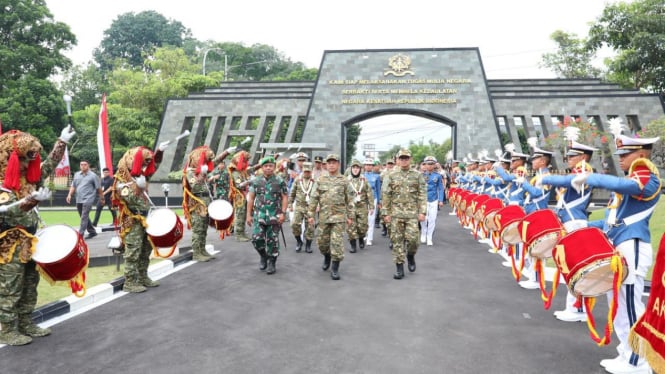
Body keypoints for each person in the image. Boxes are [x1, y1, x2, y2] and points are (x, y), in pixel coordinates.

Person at [571, 133, 660, 374]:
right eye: (619, 154)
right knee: (619, 306)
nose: (621, 158)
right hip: (620, 247)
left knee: (630, 307)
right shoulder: (628, 184)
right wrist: (586, 226)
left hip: (632, 247)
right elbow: (613, 223)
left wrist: (593, 177)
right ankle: (627, 354)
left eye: (626, 154)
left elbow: (628, 186)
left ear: (641, 154)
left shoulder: (647, 179)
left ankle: (638, 362)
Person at [0, 126, 73, 346]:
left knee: (30, 284)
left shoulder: (27, 178)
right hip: (9, 246)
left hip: (29, 244)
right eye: (24, 160)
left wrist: (61, 141)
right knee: (10, 288)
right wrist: (31, 201)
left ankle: (25, 322)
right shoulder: (3, 182)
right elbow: (10, 212)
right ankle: (7, 329)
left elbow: (48, 165)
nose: (27, 165)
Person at [539, 137, 597, 322]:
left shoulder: (584, 171)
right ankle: (574, 306)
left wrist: (545, 178)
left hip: (575, 222)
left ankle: (576, 307)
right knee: (570, 265)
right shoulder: (576, 171)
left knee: (575, 266)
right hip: (569, 222)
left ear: (583, 157)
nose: (568, 159)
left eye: (572, 156)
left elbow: (566, 181)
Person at [112, 142, 170, 293]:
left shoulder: (140, 175)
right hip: (133, 220)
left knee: (146, 249)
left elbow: (153, 166)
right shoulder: (121, 178)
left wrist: (159, 152)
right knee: (133, 251)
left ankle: (143, 276)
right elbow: (128, 198)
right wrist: (139, 187)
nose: (145, 166)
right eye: (142, 161)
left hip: (146, 219)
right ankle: (130, 282)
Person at [182, 146, 235, 262]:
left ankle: (202, 250)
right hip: (197, 205)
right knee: (198, 230)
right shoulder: (190, 172)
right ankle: (197, 252)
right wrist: (202, 175)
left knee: (204, 229)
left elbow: (214, 162)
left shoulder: (200, 170)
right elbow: (195, 187)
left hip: (205, 204)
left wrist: (225, 152)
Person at [381, 148, 427, 280]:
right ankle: (399, 268)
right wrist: (385, 213)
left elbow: (422, 194)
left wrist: (422, 211)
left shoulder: (417, 175)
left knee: (413, 241)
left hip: (412, 214)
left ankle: (411, 256)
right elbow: (386, 195)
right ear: (397, 160)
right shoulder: (390, 175)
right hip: (395, 214)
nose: (404, 160)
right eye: (401, 158)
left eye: (406, 158)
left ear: (410, 159)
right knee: (397, 242)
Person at [307, 154, 354, 280]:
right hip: (324, 217)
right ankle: (327, 256)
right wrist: (311, 214)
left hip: (339, 218)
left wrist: (350, 216)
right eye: (329, 163)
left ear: (338, 164)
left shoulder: (344, 180)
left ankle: (335, 267)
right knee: (322, 243)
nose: (332, 165)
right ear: (326, 165)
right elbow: (313, 198)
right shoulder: (320, 180)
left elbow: (350, 200)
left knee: (337, 242)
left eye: (334, 162)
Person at [246, 156, 288, 274]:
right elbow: (251, 198)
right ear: (262, 167)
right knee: (256, 238)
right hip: (259, 215)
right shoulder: (256, 181)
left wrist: (283, 213)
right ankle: (263, 256)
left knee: (272, 241)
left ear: (274, 167)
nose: (268, 168)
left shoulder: (279, 181)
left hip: (274, 215)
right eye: (265, 166)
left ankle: (272, 262)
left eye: (270, 166)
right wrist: (248, 215)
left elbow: (285, 197)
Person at [66, 160, 103, 239]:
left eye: (85, 164)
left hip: (88, 199)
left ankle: (80, 235)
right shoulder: (76, 175)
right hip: (78, 199)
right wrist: (69, 194)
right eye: (81, 164)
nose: (83, 166)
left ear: (88, 165)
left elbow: (99, 188)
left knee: (84, 216)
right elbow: (73, 186)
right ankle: (92, 231)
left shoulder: (93, 176)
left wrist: (102, 198)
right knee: (83, 216)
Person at [346, 159, 374, 253]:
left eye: (357, 167)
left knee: (362, 227)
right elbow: (343, 194)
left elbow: (369, 193)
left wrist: (371, 206)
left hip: (362, 207)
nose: (355, 169)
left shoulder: (364, 180)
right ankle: (353, 245)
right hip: (350, 208)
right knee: (351, 227)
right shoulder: (346, 180)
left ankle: (361, 237)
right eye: (353, 167)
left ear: (360, 169)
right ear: (351, 169)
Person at [288, 161, 315, 253]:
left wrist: (319, 205)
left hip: (311, 207)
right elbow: (292, 193)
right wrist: (290, 204)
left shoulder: (315, 180)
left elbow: (319, 194)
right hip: (299, 205)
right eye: (305, 171)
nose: (307, 173)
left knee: (310, 227)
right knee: (294, 224)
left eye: (308, 172)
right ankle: (299, 241)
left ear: (311, 171)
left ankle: (308, 245)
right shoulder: (297, 179)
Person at [420, 156, 444, 246]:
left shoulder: (437, 176)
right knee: (423, 218)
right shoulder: (421, 175)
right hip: (423, 199)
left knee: (432, 219)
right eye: (427, 164)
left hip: (433, 199)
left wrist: (441, 200)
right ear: (425, 165)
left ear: (434, 165)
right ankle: (423, 233)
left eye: (431, 164)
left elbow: (440, 188)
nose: (429, 166)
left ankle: (429, 237)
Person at [229, 151, 252, 242]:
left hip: (244, 195)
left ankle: (242, 232)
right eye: (243, 161)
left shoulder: (241, 172)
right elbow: (239, 185)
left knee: (243, 214)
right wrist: (248, 181)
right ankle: (239, 234)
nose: (245, 163)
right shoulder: (236, 173)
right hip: (239, 196)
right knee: (240, 215)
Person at [363, 158, 381, 246]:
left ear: (372, 166)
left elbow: (378, 190)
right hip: (363, 200)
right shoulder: (361, 176)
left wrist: (378, 202)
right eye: (367, 165)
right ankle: (365, 234)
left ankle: (370, 238)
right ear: (364, 166)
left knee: (371, 219)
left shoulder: (376, 176)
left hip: (373, 199)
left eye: (370, 165)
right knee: (364, 219)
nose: (368, 166)